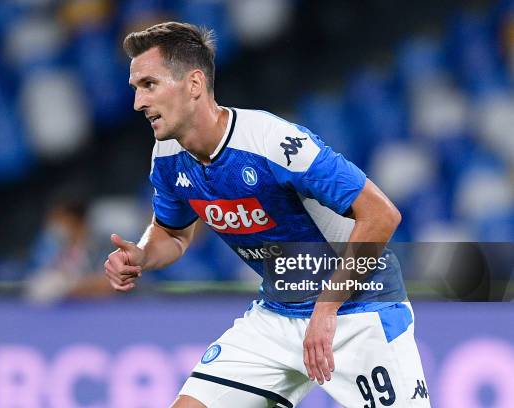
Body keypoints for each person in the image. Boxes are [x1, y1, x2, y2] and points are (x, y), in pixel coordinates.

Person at [105, 22, 430, 408]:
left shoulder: (271, 142)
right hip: (277, 314)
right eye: (136, 88)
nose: (137, 103)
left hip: (358, 310)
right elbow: (173, 234)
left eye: (149, 85)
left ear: (194, 84)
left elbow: (381, 215)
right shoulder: (167, 156)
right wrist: (142, 254)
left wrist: (326, 309)